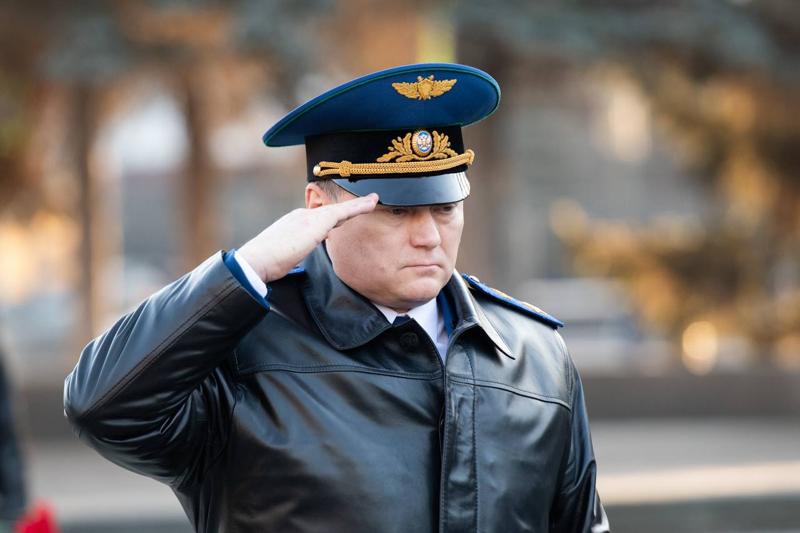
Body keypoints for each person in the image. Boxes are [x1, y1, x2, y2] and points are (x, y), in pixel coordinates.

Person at [64, 63, 609, 532]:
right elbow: (102, 407)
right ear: (319, 208)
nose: (428, 236)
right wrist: (248, 268)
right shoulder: (240, 350)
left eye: (444, 208)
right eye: (396, 211)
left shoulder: (534, 355)